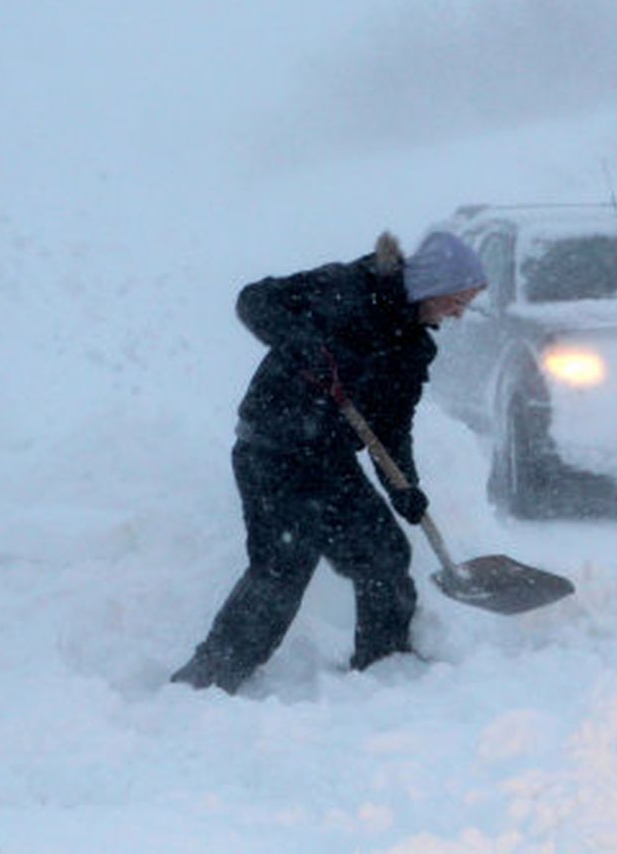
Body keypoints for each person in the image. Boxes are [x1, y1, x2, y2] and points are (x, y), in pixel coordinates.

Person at [170, 230, 487, 693]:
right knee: (283, 565)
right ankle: (209, 678)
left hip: (328, 460)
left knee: (385, 554)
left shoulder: (414, 347)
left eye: (466, 303)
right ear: (431, 284)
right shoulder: (351, 285)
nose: (459, 313)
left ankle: (384, 666)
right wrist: (300, 343)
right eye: (456, 300)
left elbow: (391, 427)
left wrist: (404, 487)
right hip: (272, 448)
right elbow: (255, 300)